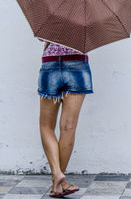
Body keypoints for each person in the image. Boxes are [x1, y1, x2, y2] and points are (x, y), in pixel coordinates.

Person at [37, 40, 93, 198]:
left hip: (51, 63)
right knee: (68, 127)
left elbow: (42, 38)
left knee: (46, 126)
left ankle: (56, 175)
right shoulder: (86, 15)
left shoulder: (50, 15)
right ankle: (59, 181)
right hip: (77, 63)